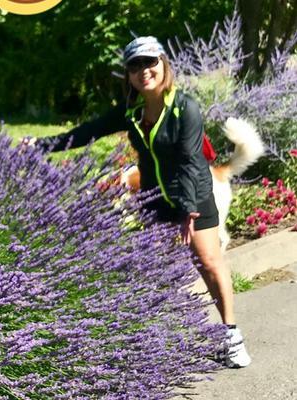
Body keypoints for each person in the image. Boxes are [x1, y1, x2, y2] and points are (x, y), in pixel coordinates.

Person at [22, 36, 251, 368]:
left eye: (150, 62)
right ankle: (154, 341)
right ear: (129, 75)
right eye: (135, 65)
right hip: (154, 197)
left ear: (163, 64)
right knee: (152, 266)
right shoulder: (131, 112)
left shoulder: (184, 107)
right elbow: (88, 131)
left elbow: (189, 160)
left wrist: (188, 210)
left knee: (208, 261)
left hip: (194, 194)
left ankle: (231, 337)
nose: (144, 70)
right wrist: (40, 145)